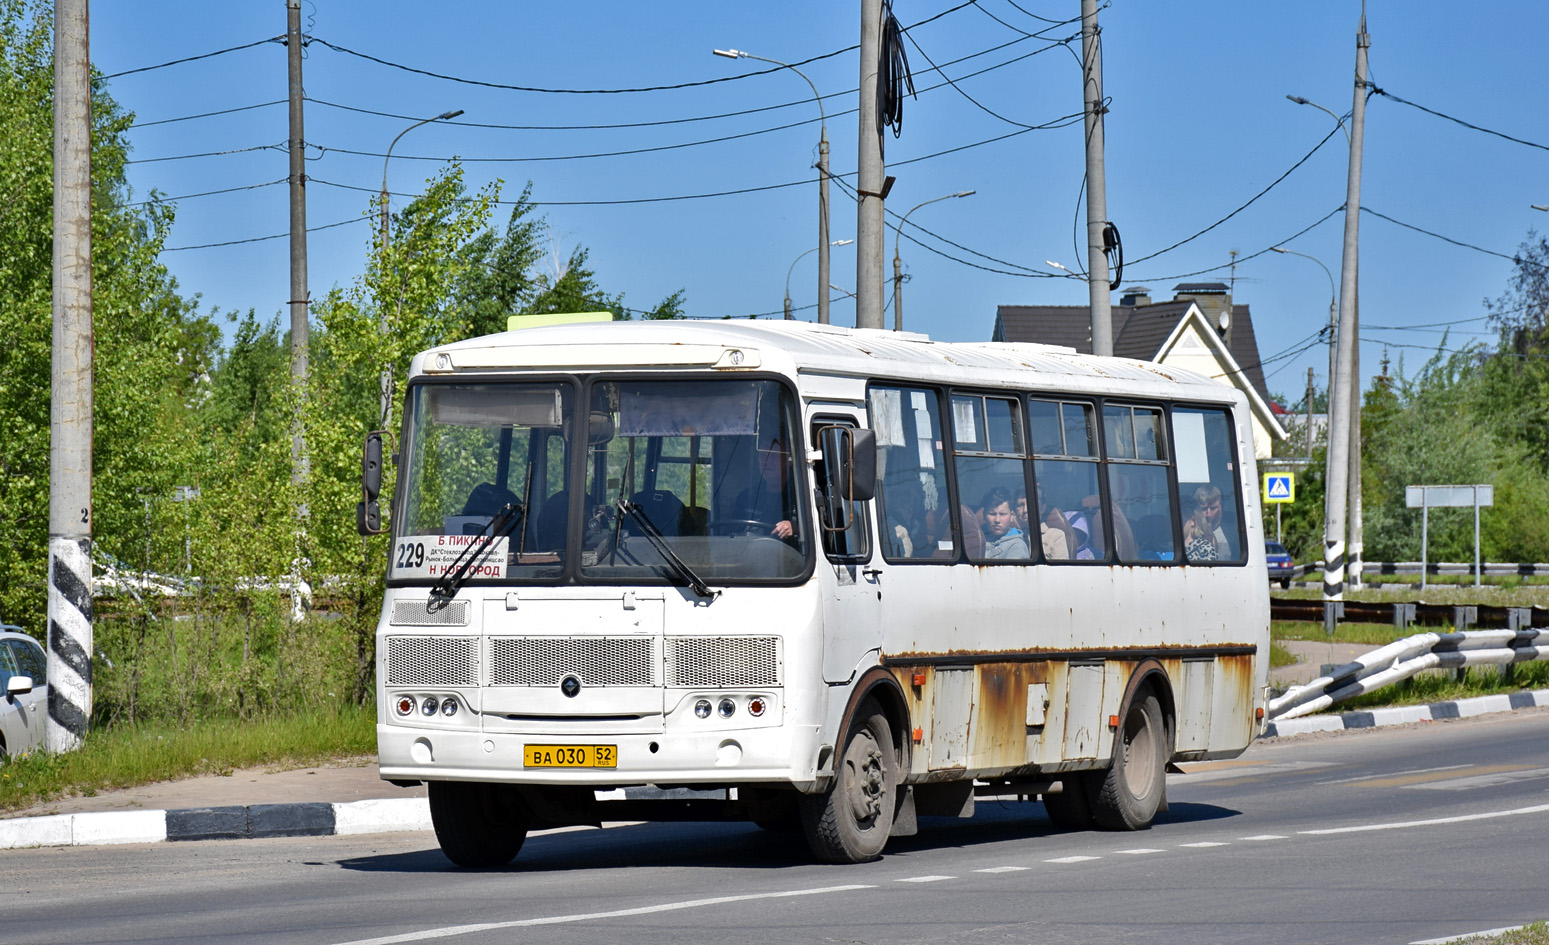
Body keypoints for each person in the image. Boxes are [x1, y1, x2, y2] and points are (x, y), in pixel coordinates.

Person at [733, 436, 799, 541]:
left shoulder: (802, 496)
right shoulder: (746, 497)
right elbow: (732, 534)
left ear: (788, 460)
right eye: (763, 455)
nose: (767, 461)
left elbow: (816, 526)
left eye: (774, 455)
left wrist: (795, 527)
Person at [979, 486, 1029, 559]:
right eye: (992, 514)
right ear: (984, 515)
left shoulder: (1016, 546)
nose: (997, 520)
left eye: (1002, 514)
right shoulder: (977, 541)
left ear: (1012, 516)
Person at [1183, 484, 1230, 561]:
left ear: (1221, 508)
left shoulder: (1232, 532)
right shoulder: (1191, 535)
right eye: (1204, 509)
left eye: (1213, 508)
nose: (1208, 514)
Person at [1027, 485, 1070, 561]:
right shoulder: (1012, 537)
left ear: (1043, 508)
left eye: (1030, 505)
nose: (1025, 510)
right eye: (1020, 505)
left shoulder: (1056, 536)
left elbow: (1061, 567)